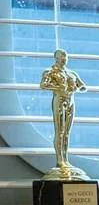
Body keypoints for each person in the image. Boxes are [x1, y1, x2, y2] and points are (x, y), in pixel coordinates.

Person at [39, 49, 87, 177]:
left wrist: (78, 87)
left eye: (66, 57)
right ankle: (60, 161)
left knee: (67, 132)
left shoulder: (72, 73)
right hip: (59, 100)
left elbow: (83, 86)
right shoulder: (50, 72)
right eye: (62, 57)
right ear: (56, 58)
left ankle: (66, 160)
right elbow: (43, 85)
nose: (64, 59)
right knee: (59, 131)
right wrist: (58, 88)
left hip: (71, 101)